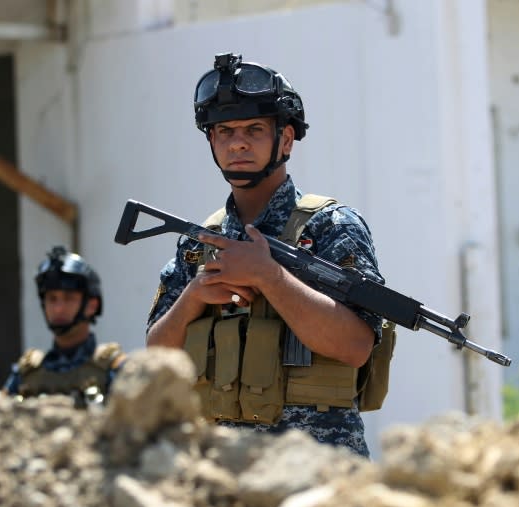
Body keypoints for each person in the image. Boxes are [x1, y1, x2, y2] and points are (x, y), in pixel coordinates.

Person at [146, 52, 385, 457]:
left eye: (255, 129)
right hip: (222, 468)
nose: (237, 142)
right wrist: (194, 298)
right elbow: (156, 361)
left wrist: (269, 277)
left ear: (286, 139)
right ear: (212, 141)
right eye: (224, 131)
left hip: (319, 470)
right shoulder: (199, 243)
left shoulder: (332, 227)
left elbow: (356, 347)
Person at [4, 245, 126, 405]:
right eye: (52, 298)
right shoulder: (26, 372)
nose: (58, 308)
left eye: (69, 298)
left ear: (92, 306)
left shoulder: (114, 368)